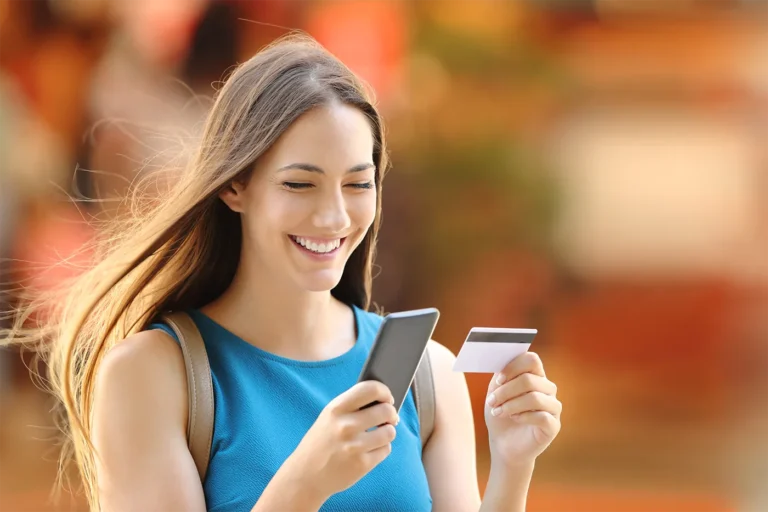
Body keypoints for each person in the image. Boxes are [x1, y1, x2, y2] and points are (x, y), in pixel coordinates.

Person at [5, 34, 562, 511]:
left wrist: (513, 464)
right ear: (234, 184)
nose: (334, 216)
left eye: (357, 182)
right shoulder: (153, 375)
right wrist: (303, 484)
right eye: (300, 183)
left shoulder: (428, 374)